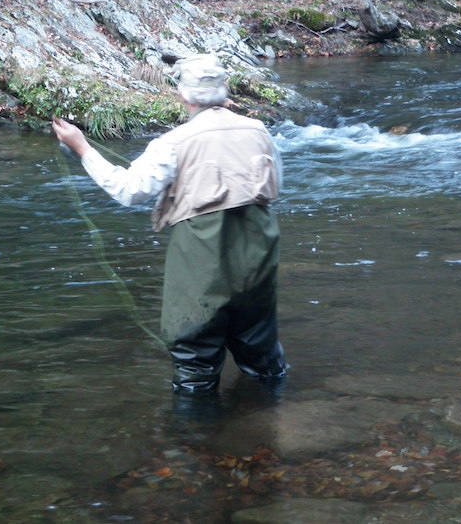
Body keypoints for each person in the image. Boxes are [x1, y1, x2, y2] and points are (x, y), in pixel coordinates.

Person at [52, 53, 288, 393]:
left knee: (195, 358)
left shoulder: (173, 143)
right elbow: (275, 184)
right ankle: (275, 423)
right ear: (224, 89)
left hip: (203, 259)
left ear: (183, 95)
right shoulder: (259, 131)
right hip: (259, 255)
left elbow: (128, 190)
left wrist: (82, 147)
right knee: (260, 348)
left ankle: (193, 440)